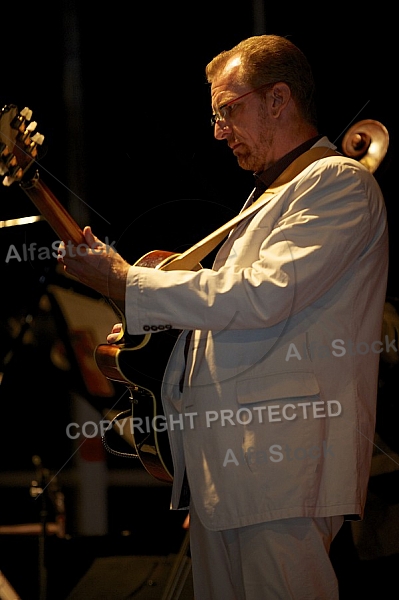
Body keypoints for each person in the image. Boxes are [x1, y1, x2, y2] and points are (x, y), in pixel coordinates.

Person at [59, 35, 389, 599]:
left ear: (278, 100)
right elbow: (230, 323)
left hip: (281, 472)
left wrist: (126, 282)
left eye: (227, 110)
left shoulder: (337, 183)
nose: (217, 131)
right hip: (230, 476)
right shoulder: (270, 196)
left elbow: (254, 297)